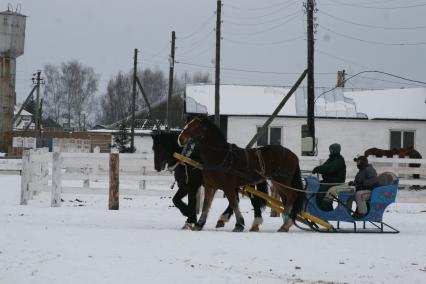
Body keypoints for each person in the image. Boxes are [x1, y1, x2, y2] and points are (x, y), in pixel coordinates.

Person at [312, 143, 346, 211]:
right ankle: (326, 208)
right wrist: (319, 169)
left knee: (320, 192)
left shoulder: (339, 160)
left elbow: (329, 168)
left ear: (335, 150)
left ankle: (322, 209)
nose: (330, 151)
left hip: (335, 182)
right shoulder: (332, 158)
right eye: (330, 149)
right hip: (329, 181)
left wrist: (318, 169)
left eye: (331, 149)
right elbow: (325, 166)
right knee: (314, 186)